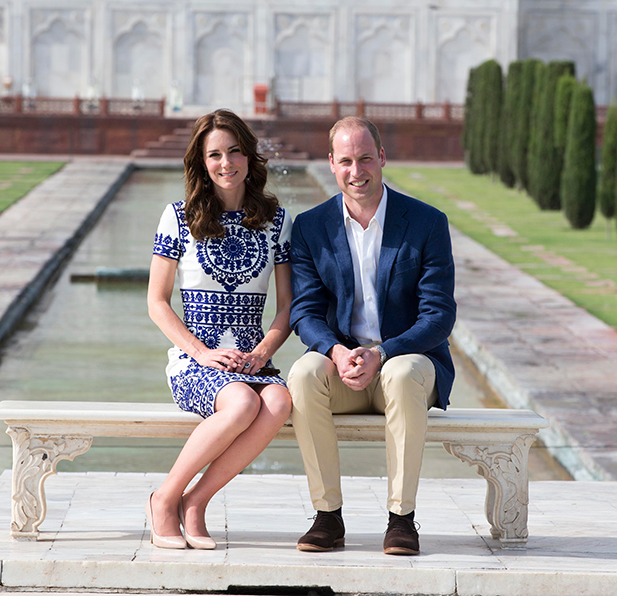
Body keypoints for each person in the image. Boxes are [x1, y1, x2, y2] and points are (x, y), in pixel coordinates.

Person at [287, 116, 456, 555]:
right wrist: (337, 352)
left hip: (408, 365)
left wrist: (382, 353)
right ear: (331, 164)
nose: (356, 171)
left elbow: (438, 316)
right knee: (303, 372)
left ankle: (402, 520)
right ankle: (328, 517)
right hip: (344, 369)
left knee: (400, 374)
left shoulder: (426, 222)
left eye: (365, 158)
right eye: (346, 161)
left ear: (382, 157)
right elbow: (304, 313)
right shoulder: (310, 227)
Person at [146, 109, 293, 550]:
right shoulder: (178, 216)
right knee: (243, 401)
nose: (225, 163)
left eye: (234, 151)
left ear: (249, 156)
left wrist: (266, 349)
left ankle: (195, 504)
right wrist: (201, 353)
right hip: (196, 362)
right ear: (201, 161)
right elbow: (157, 303)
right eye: (214, 155)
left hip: (253, 358)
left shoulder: (276, 221)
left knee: (280, 400)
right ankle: (164, 498)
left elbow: (287, 307)